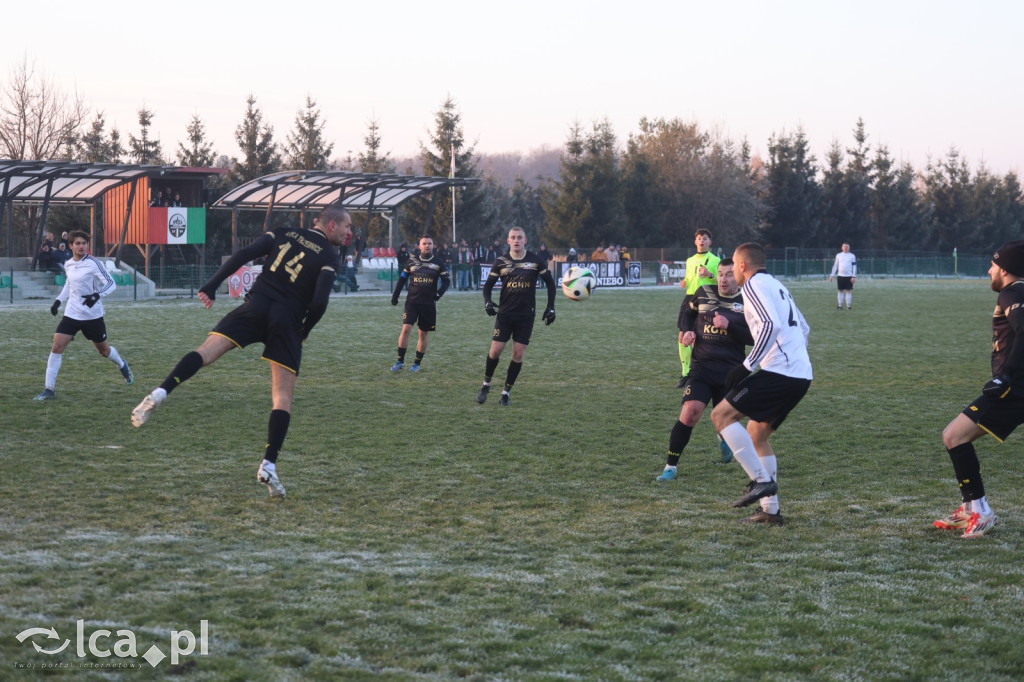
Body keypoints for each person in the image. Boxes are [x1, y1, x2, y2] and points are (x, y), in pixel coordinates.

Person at [130, 205, 353, 498]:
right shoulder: (329, 256)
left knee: (205, 352)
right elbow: (320, 303)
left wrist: (211, 285)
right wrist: (305, 330)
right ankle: (268, 465)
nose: (350, 232)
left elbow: (242, 256)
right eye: (347, 226)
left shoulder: (283, 231)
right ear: (332, 224)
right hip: (286, 321)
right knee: (282, 397)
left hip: (255, 305)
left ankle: (159, 393)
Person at [710, 243, 812, 525]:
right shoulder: (777, 285)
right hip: (800, 374)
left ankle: (760, 481)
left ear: (742, 266)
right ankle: (771, 511)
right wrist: (795, 360)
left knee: (720, 415)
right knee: (756, 433)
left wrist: (746, 366)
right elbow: (804, 328)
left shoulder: (753, 285)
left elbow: (770, 325)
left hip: (780, 372)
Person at [932, 240, 1024, 538]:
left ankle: (979, 511)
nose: (989, 271)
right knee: (956, 436)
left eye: (993, 265)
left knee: (954, 436)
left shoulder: (1012, 292)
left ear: (1006, 270)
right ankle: (972, 509)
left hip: (1014, 390)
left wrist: (1005, 376)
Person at [656, 258, 751, 481]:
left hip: (730, 372)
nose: (723, 279)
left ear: (738, 275)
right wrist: (687, 331)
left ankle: (722, 438)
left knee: (724, 423)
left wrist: (731, 326)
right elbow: (685, 312)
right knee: (690, 413)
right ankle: (670, 467)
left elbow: (755, 337)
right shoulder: (703, 291)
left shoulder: (748, 300)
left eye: (728, 274)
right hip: (702, 367)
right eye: (720, 274)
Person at [33, 231, 134, 400]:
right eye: (78, 243)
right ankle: (49, 389)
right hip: (72, 314)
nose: (81, 246)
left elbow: (111, 284)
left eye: (84, 243)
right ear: (70, 246)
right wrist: (58, 301)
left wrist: (96, 295)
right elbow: (68, 284)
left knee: (104, 351)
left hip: (92, 316)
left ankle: (122, 364)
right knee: (57, 347)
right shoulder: (69, 264)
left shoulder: (94, 263)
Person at [477, 226, 556, 406]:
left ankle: (505, 392)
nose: (516, 240)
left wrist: (551, 307)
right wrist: (487, 301)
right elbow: (488, 286)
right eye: (513, 237)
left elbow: (551, 284)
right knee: (495, 351)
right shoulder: (501, 262)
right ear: (508, 240)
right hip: (505, 314)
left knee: (518, 354)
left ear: (525, 240)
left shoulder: (535, 260)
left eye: (520, 237)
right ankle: (486, 384)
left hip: (526, 316)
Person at [389, 235, 450, 372]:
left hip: (428, 304)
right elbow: (402, 279)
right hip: (412, 302)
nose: (427, 246)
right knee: (406, 329)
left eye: (429, 243)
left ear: (433, 246)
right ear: (419, 246)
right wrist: (395, 296)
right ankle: (400, 361)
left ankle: (416, 363)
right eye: (424, 243)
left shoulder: (438, 263)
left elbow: (446, 281)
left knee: (422, 334)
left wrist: (439, 294)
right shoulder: (411, 261)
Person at [677, 229, 721, 388]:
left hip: (706, 299)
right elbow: (689, 279)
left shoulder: (716, 261)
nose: (701, 241)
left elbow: (721, 282)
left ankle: (699, 371)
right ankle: (685, 373)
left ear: (710, 242)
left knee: (700, 337)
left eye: (705, 238)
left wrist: (710, 275)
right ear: (695, 242)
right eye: (698, 238)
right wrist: (685, 282)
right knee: (682, 335)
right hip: (689, 298)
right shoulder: (690, 260)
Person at [829, 242, 857, 310]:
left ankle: (848, 306)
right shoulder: (838, 255)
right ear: (842, 247)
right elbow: (835, 265)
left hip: (849, 276)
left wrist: (853, 276)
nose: (845, 248)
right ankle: (840, 305)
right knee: (840, 290)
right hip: (840, 276)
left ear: (849, 248)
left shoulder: (852, 256)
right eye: (844, 246)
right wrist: (832, 275)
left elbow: (854, 266)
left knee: (848, 291)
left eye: (847, 247)